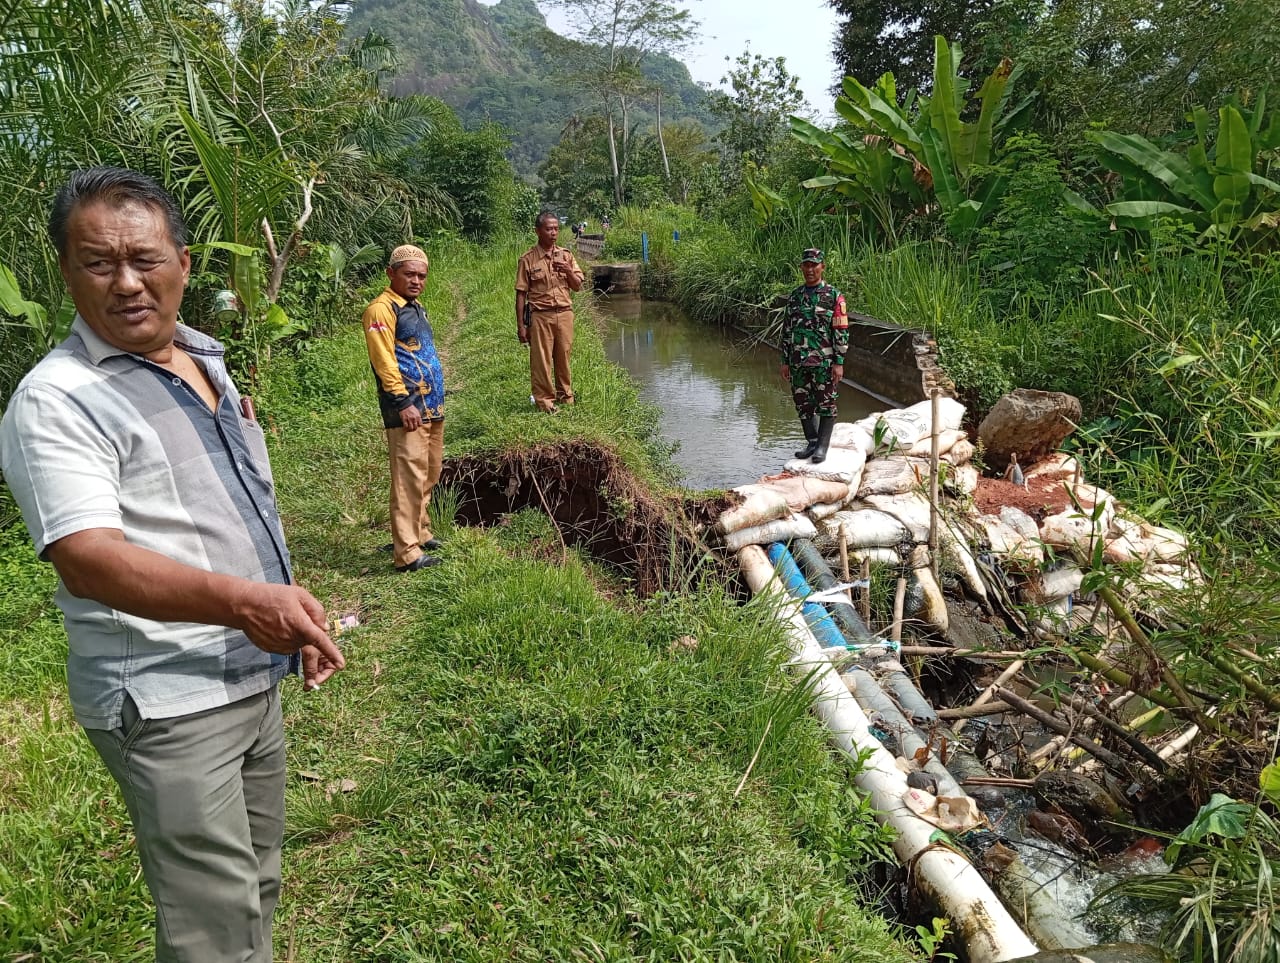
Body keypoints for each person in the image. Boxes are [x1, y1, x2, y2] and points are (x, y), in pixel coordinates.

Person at [0, 166, 345, 962]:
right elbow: (88, 559)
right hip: (168, 700)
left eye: (145, 259)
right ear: (66, 272)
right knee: (211, 923)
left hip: (248, 674)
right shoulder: (58, 399)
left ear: (184, 265)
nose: (125, 282)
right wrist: (247, 603)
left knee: (254, 887)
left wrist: (279, 616)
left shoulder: (201, 358)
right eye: (98, 262)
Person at [362, 245, 446, 573]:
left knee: (428, 472)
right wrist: (402, 402)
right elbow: (383, 360)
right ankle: (407, 552)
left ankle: (420, 531)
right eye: (409, 274)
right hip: (408, 407)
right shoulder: (381, 310)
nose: (416, 281)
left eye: (422, 276)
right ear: (391, 274)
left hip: (431, 406)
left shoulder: (415, 307)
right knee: (408, 478)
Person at [780, 247, 849, 463]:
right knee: (803, 403)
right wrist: (785, 361)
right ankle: (811, 441)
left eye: (814, 265)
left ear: (822, 267)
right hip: (798, 361)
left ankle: (822, 446)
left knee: (826, 402)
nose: (810, 270)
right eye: (806, 265)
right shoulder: (795, 296)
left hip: (824, 362)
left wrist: (839, 362)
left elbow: (841, 331)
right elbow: (787, 330)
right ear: (801, 267)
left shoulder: (833, 296)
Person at [515, 211, 584, 413]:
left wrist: (568, 271)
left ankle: (566, 396)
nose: (553, 233)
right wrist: (521, 326)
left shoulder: (566, 256)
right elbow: (521, 294)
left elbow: (577, 286)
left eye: (556, 229)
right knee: (541, 360)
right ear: (538, 231)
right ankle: (545, 401)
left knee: (564, 356)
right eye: (548, 229)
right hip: (540, 315)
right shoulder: (528, 259)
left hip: (564, 314)